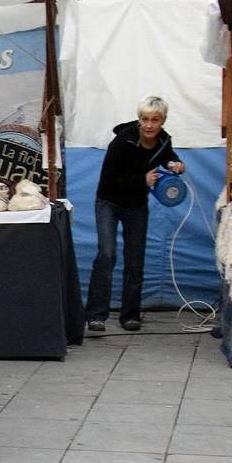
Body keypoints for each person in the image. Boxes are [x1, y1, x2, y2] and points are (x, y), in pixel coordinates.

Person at [86, 96, 185, 333]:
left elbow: (168, 156)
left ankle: (130, 315)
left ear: (163, 121)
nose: (149, 125)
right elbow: (109, 179)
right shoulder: (122, 141)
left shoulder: (163, 141)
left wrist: (176, 164)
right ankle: (96, 315)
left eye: (155, 120)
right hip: (109, 201)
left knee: (135, 259)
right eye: (145, 119)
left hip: (136, 205)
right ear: (139, 119)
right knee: (107, 255)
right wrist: (143, 180)